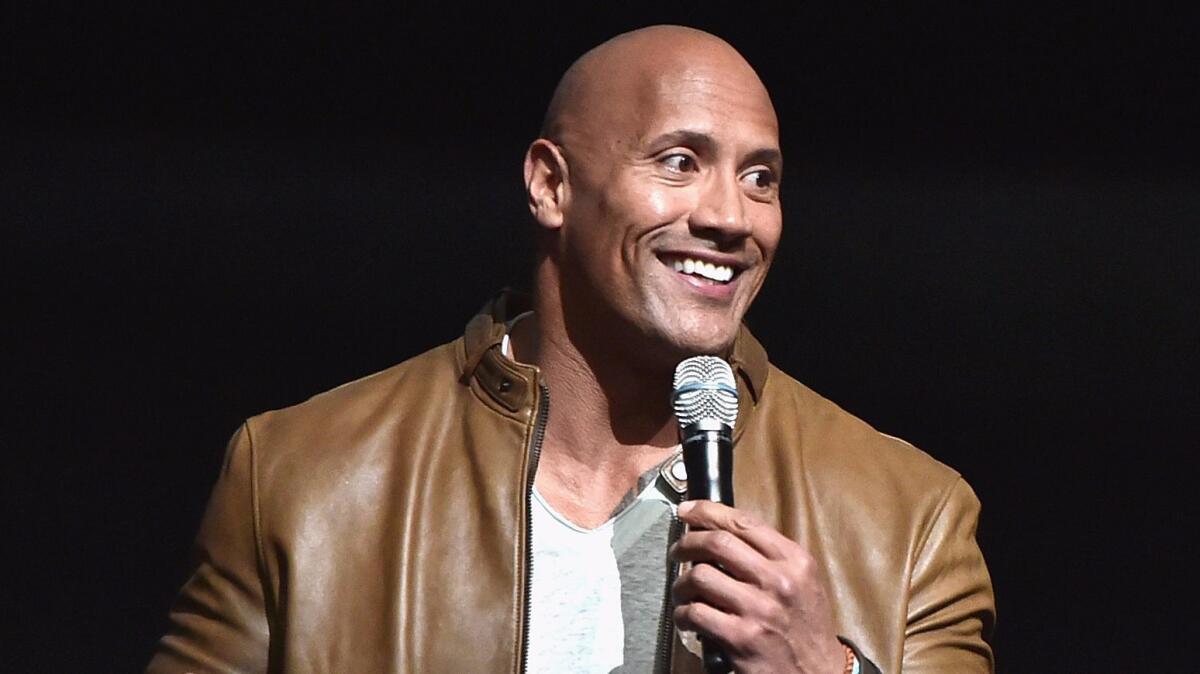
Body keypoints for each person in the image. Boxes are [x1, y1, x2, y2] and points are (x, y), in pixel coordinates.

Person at [149, 25, 994, 673]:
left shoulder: (910, 518)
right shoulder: (299, 481)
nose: (732, 217)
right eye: (679, 161)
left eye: (760, 177)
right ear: (551, 185)